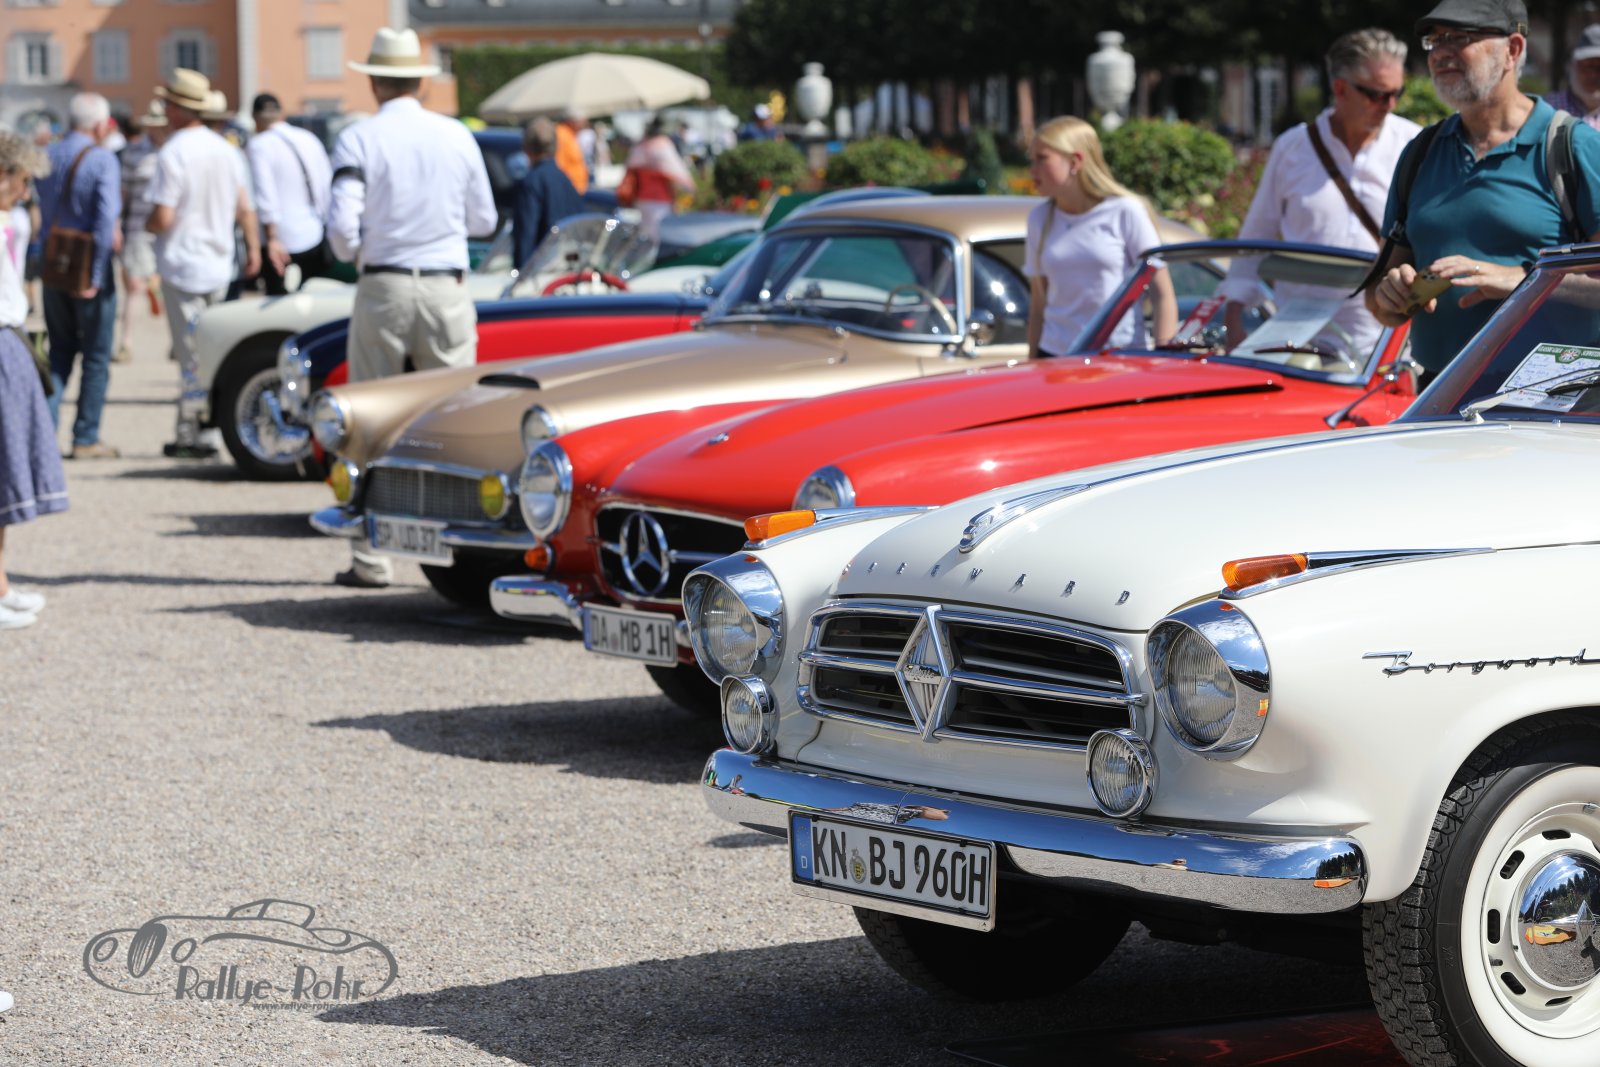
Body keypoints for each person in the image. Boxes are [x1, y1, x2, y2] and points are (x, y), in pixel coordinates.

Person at [326, 26, 497, 588]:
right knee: (457, 418)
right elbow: (484, 220)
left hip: (385, 282)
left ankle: (370, 558)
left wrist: (360, 254)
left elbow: (341, 225)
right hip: (446, 283)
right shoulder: (455, 135)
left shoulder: (359, 137)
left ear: (374, 81)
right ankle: (460, 554)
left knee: (369, 415)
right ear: (419, 83)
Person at [1366, 0, 1600, 382]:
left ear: (1513, 50)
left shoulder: (1575, 147)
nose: (1441, 52)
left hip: (1546, 398)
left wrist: (1525, 281)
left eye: (1459, 38)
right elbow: (1378, 297)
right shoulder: (1421, 152)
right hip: (1437, 394)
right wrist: (1390, 295)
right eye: (1434, 40)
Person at [1222, 29, 1420, 359]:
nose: (1389, 105)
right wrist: (1233, 314)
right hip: (1295, 342)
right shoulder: (1292, 147)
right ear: (1340, 88)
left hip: (1386, 345)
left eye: (1396, 92)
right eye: (1377, 95)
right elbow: (1256, 236)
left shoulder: (1414, 145)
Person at [145, 68, 260, 458]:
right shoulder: (226, 150)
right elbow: (245, 207)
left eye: (167, 104)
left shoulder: (173, 152)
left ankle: (195, 432)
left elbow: (163, 217)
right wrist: (254, 249)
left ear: (179, 109)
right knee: (212, 349)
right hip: (218, 262)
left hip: (183, 263)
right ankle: (206, 428)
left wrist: (146, 224)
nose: (164, 110)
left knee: (191, 355)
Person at [1023, 115, 1177, 358]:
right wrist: (1033, 363)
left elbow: (1162, 293)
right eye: (1031, 160)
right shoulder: (1039, 218)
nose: (1032, 170)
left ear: (1075, 161)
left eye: (1042, 159)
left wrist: (1163, 356)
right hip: (1056, 357)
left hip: (1120, 356)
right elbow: (1038, 305)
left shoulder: (1125, 211)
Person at [0, 129, 69, 630]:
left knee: (6, 472)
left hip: (11, 338)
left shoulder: (10, 220)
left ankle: (1, 584)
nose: (25, 192)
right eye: (21, 181)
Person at [36, 92, 122, 459]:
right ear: (100, 125)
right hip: (87, 266)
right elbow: (104, 221)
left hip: (54, 262)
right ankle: (86, 436)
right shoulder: (102, 159)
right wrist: (96, 275)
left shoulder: (48, 154)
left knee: (59, 352)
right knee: (96, 356)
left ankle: (43, 434)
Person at [246, 92, 335, 295]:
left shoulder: (259, 145)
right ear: (281, 114)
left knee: (280, 306)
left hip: (280, 240)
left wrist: (272, 237)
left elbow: (265, 195)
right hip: (313, 232)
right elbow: (326, 186)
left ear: (255, 118)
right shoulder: (308, 138)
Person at [115, 101, 167, 363]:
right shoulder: (133, 153)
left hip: (169, 230)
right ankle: (126, 342)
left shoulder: (176, 150)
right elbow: (122, 194)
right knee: (134, 286)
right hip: (138, 228)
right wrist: (117, 223)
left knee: (172, 287)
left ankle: (177, 342)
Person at [511, 118, 584, 270]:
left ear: (526, 147)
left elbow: (526, 233)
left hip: (543, 268)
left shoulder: (531, 182)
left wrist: (521, 273)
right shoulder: (565, 179)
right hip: (569, 265)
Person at [623, 118, 695, 241]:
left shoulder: (641, 147)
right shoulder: (662, 145)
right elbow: (677, 173)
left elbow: (630, 166)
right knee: (657, 235)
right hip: (659, 199)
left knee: (646, 233)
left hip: (641, 198)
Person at [1546, 23, 1600, 131]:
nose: (1593, 75)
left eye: (1599, 68)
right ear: (1572, 67)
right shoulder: (1549, 108)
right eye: (1587, 67)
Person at [555, 109, 591, 195]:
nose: (584, 123)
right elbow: (560, 165)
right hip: (570, 190)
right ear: (571, 121)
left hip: (576, 189)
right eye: (582, 120)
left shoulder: (570, 134)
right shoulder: (561, 135)